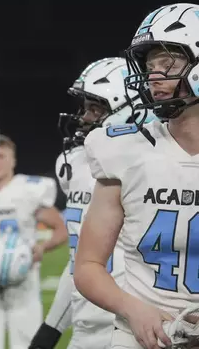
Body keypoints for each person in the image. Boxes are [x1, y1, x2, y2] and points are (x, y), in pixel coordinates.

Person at [74, 3, 199, 349]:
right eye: (149, 66)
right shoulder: (123, 149)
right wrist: (132, 308)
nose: (154, 75)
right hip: (139, 337)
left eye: (168, 63)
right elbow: (87, 266)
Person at [30, 57, 155, 349]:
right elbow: (79, 260)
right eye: (85, 108)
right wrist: (51, 329)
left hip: (132, 326)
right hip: (87, 326)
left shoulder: (150, 166)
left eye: (95, 109)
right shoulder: (74, 163)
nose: (84, 117)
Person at [0, 134, 67, 349]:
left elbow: (61, 229)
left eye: (1, 156)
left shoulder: (28, 189)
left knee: (27, 344)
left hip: (24, 281)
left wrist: (41, 247)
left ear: (13, 160)